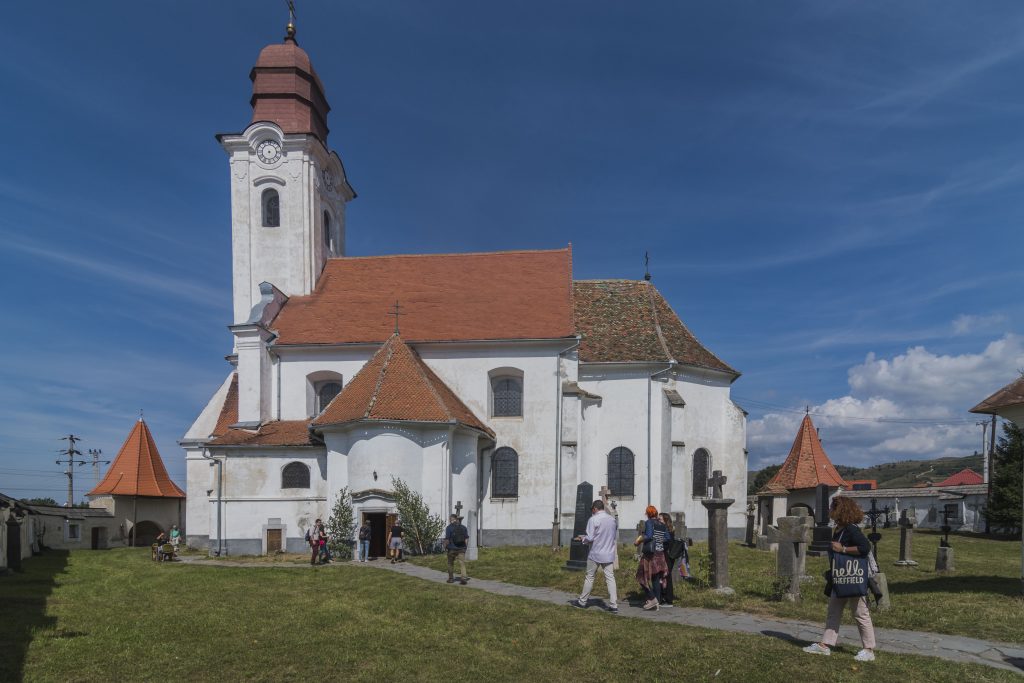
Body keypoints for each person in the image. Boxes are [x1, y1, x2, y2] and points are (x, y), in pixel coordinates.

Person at [803, 497, 877, 662]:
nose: (829, 510)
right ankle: (825, 645)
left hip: (853, 577)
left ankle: (869, 649)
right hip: (841, 577)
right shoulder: (838, 528)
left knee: (860, 613)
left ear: (840, 510)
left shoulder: (851, 529)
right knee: (833, 612)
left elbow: (865, 548)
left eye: (832, 507)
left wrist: (843, 549)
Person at [573, 500, 619, 613]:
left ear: (594, 508)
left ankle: (582, 601)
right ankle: (613, 605)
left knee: (590, 576)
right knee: (610, 578)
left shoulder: (593, 519)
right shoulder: (612, 520)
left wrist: (582, 538)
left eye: (591, 509)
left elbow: (590, 537)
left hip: (596, 552)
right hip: (608, 552)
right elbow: (612, 535)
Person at [634, 505, 669, 611]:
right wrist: (658, 541)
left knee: (640, 576)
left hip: (651, 554)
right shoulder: (662, 524)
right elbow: (667, 538)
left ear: (648, 514)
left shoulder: (649, 522)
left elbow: (648, 536)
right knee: (655, 578)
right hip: (660, 554)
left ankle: (652, 598)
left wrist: (639, 540)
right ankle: (656, 602)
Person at [443, 514, 470, 584]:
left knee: (450, 563)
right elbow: (466, 538)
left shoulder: (449, 528)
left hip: (451, 549)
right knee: (462, 564)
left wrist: (445, 546)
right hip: (462, 548)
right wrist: (465, 547)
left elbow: (447, 539)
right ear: (457, 519)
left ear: (451, 519)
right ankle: (463, 579)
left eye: (450, 519)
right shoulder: (463, 527)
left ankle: (451, 579)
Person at [659, 513, 677, 606]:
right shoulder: (666, 530)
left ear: (665, 521)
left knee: (666, 577)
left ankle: (668, 599)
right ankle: (663, 597)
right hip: (665, 556)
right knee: (663, 577)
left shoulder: (668, 532)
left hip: (667, 556)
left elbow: (667, 545)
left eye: (660, 519)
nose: (659, 521)